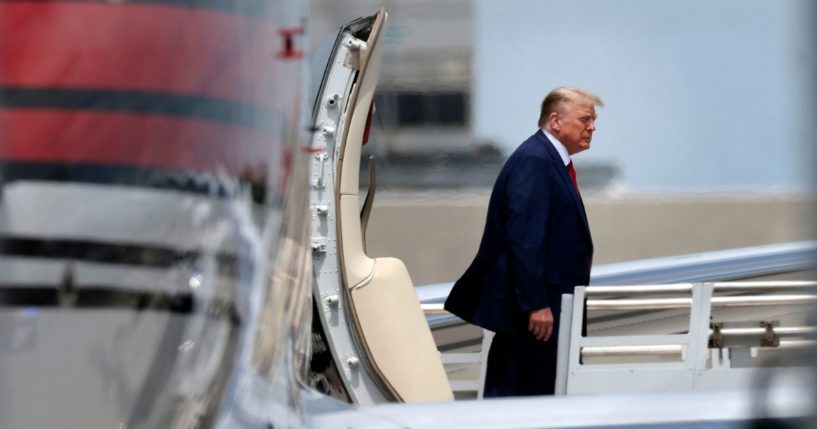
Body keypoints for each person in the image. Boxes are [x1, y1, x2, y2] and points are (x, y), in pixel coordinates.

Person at [444, 87, 602, 396]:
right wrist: (536, 303)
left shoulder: (549, 160)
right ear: (555, 121)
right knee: (522, 397)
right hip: (536, 315)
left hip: (546, 310)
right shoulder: (535, 160)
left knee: (532, 395)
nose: (592, 127)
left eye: (594, 121)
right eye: (585, 119)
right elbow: (525, 238)